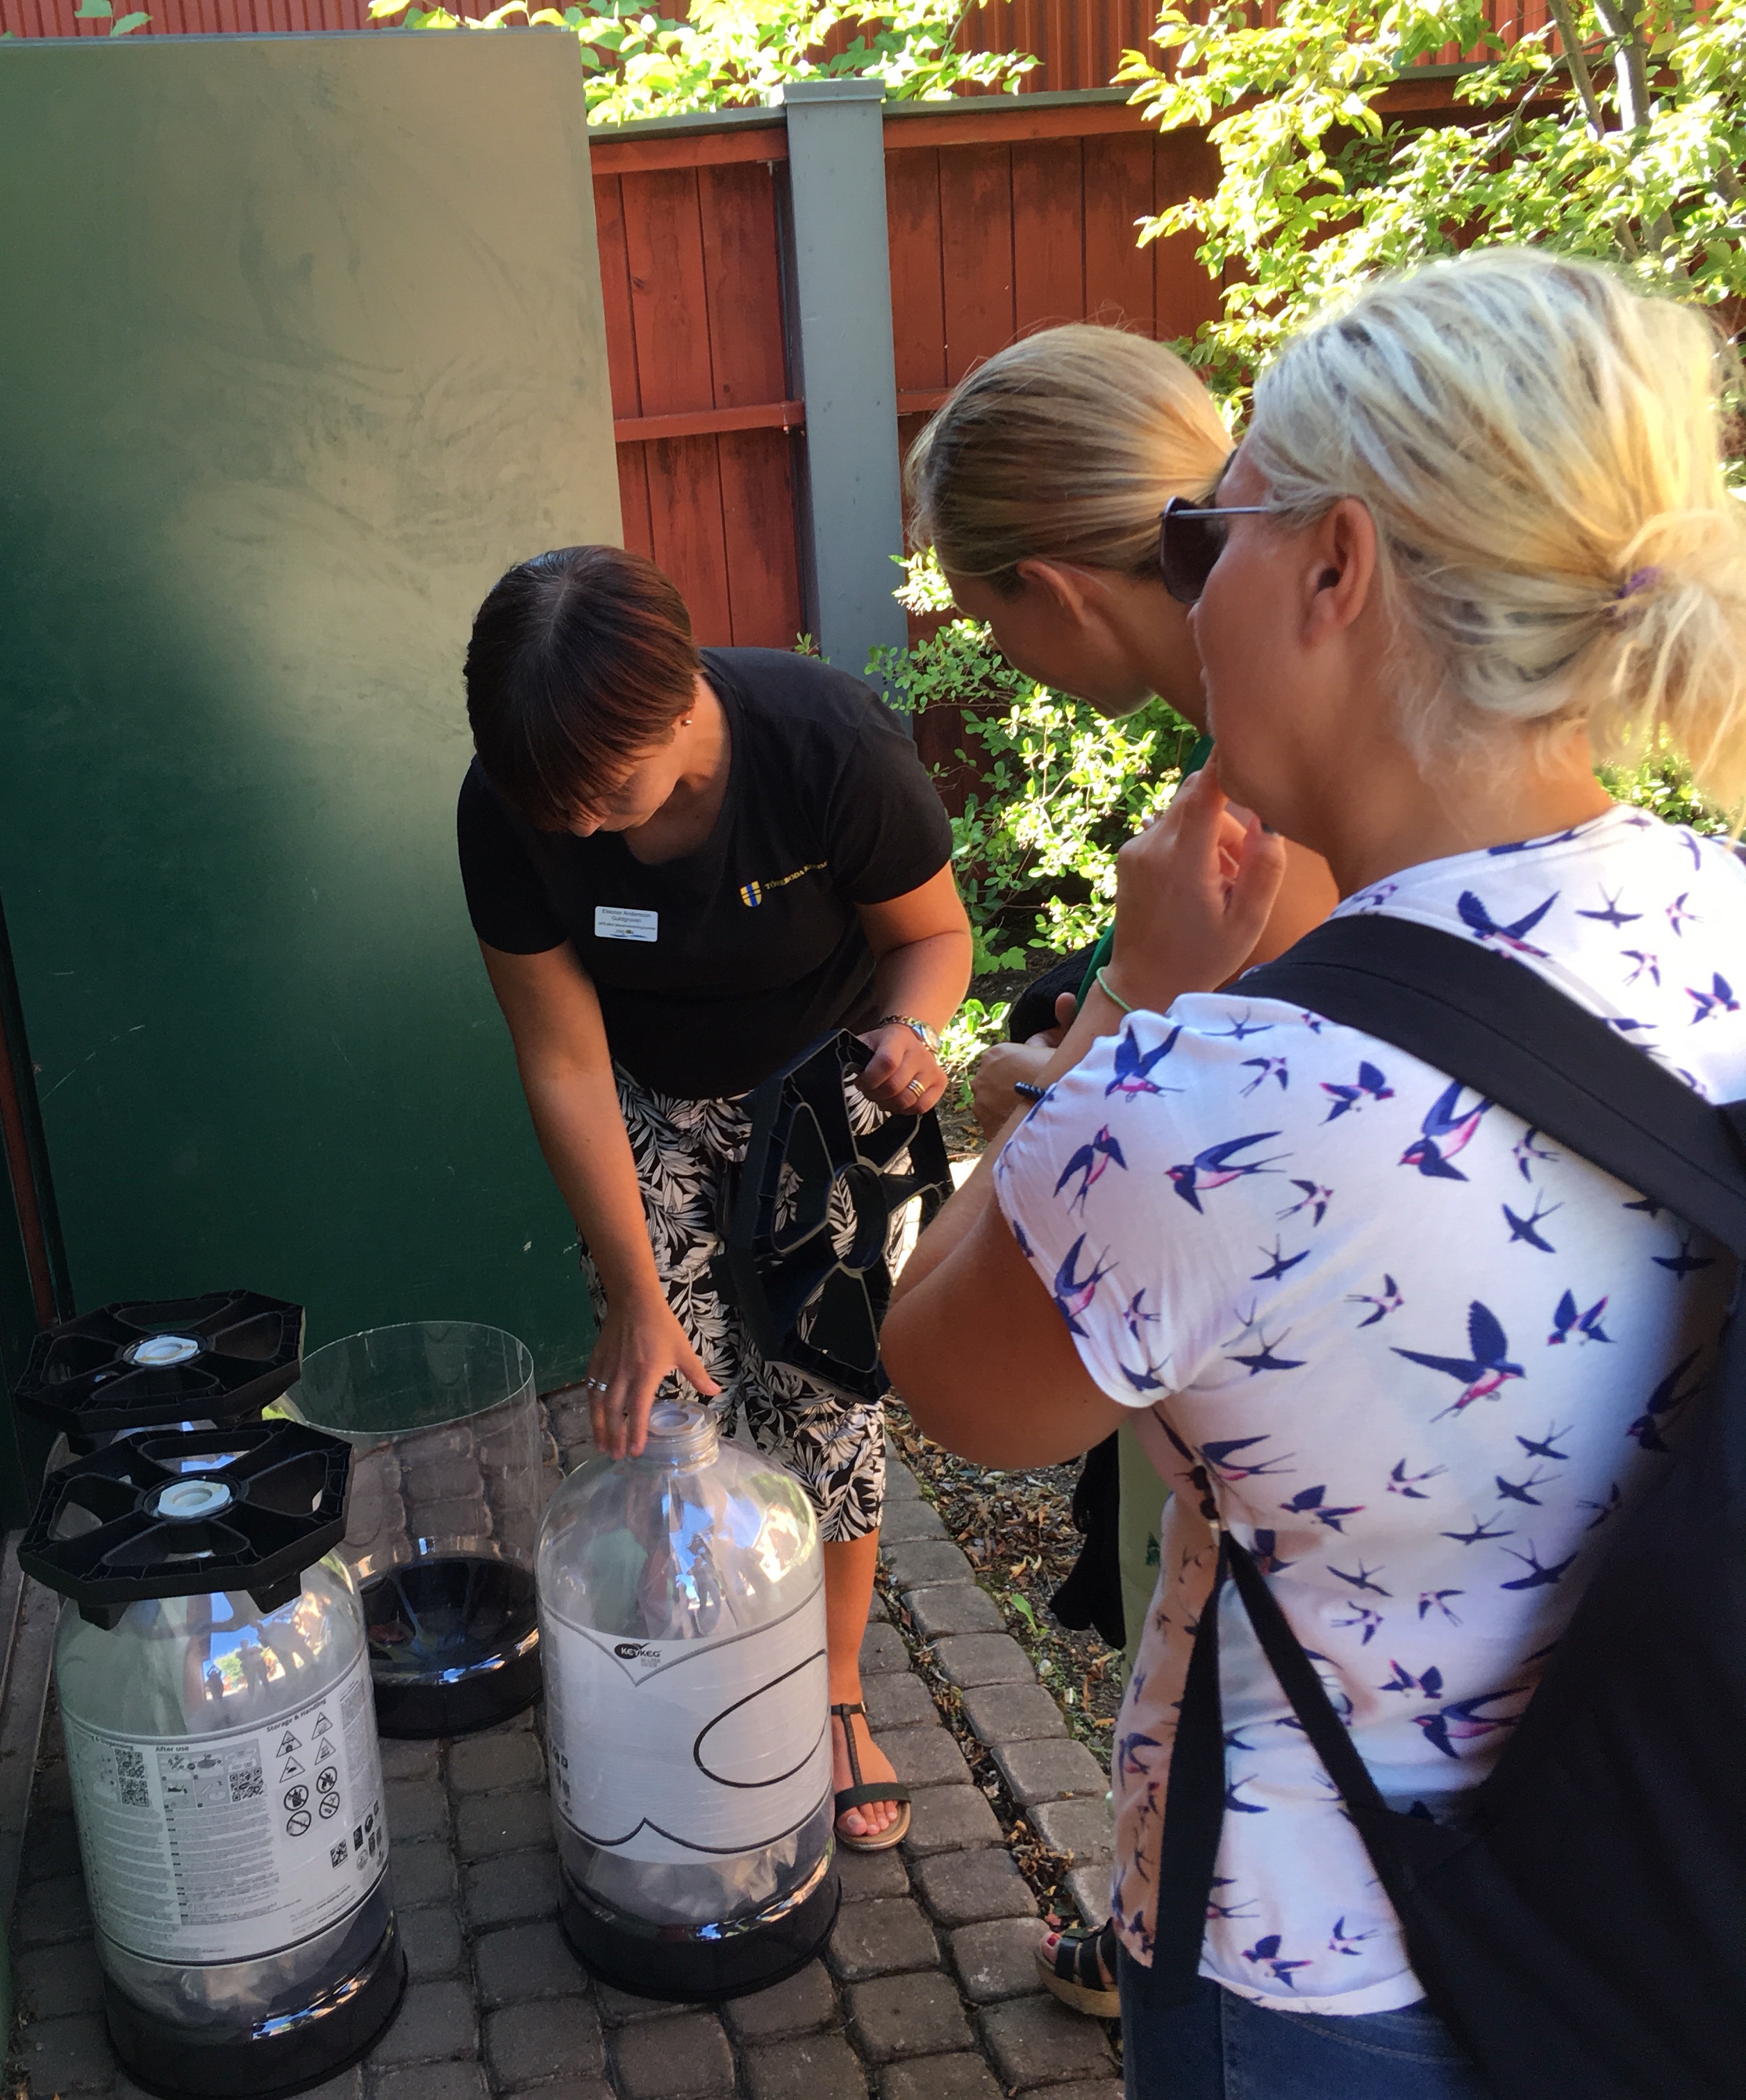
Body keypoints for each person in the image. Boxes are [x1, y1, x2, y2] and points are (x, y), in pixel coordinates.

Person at [881, 249, 1746, 2097]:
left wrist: (1134, 1006)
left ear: (1336, 566)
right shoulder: (1723, 918)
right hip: (1663, 1909)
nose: (1197, 598)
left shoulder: (1221, 1096)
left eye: (1221, 537)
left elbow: (947, 1378)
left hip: (1325, 1971)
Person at [903, 325, 1342, 1952]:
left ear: (1053, 591)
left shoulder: (1257, 833)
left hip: (1272, 1602)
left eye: (986, 619)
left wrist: (1083, 1060)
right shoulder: (1316, 769)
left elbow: (952, 1371)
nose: (1002, 654)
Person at [457, 544, 972, 1849]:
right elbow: (563, 1058)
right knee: (672, 1401)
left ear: (681, 702)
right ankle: (699, 1662)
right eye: (551, 806)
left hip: (824, 1090)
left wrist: (914, 1034)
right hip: (643, 1101)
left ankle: (835, 1691)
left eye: (601, 795)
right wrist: (635, 1293)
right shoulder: (512, 808)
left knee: (824, 1404)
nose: (579, 830)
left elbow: (932, 935)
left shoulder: (825, 745)